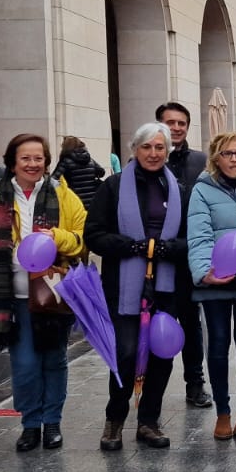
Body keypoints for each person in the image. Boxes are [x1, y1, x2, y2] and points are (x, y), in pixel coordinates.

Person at [84, 122, 185, 451]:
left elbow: (192, 238)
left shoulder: (178, 189)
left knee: (161, 352)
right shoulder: (112, 187)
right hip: (123, 284)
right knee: (125, 353)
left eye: (160, 148)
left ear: (167, 151)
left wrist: (171, 248)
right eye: (147, 147)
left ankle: (149, 421)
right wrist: (131, 246)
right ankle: (115, 418)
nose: (153, 154)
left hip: (166, 285)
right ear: (134, 149)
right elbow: (94, 235)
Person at [0, 133, 86, 452]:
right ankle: (30, 423)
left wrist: (55, 237)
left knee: (54, 360)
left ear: (47, 161)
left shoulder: (64, 195)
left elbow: (81, 240)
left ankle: (52, 421)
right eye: (25, 158)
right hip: (10, 294)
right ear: (12, 161)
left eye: (38, 158)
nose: (32, 164)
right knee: (25, 363)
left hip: (52, 293)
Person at [187, 133, 236, 442]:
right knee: (217, 346)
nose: (234, 159)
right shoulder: (202, 190)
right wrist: (205, 273)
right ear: (216, 158)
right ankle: (223, 411)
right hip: (215, 279)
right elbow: (199, 235)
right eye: (228, 154)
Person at [158, 102, 211, 409]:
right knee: (159, 323)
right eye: (170, 122)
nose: (177, 127)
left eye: (182, 123)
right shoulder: (144, 160)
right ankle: (153, 384)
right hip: (157, 257)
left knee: (192, 324)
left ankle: (195, 383)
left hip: (190, 255)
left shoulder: (200, 161)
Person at [53, 135, 105, 207]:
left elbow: (53, 180)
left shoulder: (66, 161)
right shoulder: (89, 160)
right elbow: (102, 172)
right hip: (92, 202)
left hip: (75, 202)